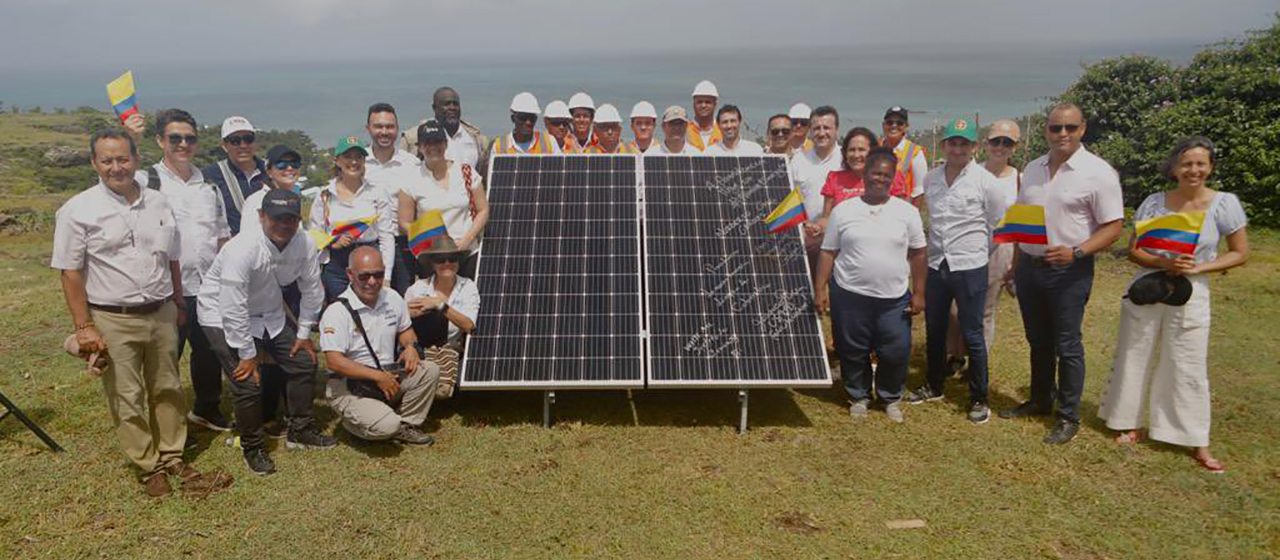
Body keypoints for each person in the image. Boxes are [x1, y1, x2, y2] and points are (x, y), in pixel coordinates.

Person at [53, 129, 197, 496]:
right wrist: (84, 327)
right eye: (107, 160)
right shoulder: (78, 210)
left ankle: (173, 454)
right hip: (113, 316)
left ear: (135, 158)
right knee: (126, 394)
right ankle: (149, 466)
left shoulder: (158, 203)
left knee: (168, 387)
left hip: (161, 310)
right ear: (94, 163)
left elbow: (173, 257)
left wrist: (178, 301)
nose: (116, 167)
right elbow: (70, 272)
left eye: (123, 159)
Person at [1099, 136, 1249, 472]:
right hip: (1150, 285)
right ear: (1174, 167)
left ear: (1209, 167)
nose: (1193, 170)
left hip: (1192, 289)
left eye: (1200, 164)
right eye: (1187, 163)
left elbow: (1240, 252)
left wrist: (1198, 267)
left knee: (1188, 362)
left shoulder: (1225, 203)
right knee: (1134, 354)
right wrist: (1163, 264)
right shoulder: (1154, 202)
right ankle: (1127, 422)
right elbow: (1135, 249)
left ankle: (1196, 439)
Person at [999, 103, 1125, 445]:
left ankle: (1067, 415)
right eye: (1056, 128)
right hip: (1031, 267)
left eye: (1070, 127)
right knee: (1038, 340)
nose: (1063, 134)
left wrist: (1078, 251)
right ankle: (1041, 399)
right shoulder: (1034, 168)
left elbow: (1114, 226)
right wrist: (1015, 265)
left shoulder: (1098, 172)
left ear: (1083, 128)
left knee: (1067, 344)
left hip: (1070, 269)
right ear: (1046, 131)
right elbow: (1024, 219)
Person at [198, 189, 334, 475]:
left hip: (269, 311)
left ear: (299, 219)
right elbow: (232, 306)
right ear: (261, 216)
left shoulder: (305, 243)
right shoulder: (241, 248)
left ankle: (300, 429)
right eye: (276, 218)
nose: (284, 225)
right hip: (222, 314)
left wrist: (303, 333)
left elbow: (312, 289)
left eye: (291, 219)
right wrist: (248, 355)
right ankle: (252, 446)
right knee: (248, 382)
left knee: (303, 361)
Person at [903, 118, 1010, 424]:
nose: (958, 149)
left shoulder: (987, 182)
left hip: (970, 266)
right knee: (935, 329)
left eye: (964, 143)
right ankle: (934, 384)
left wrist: (976, 254)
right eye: (953, 142)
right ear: (944, 144)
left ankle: (979, 398)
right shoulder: (932, 179)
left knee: (972, 333)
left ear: (974, 147)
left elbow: (996, 225)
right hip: (937, 264)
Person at [814, 146, 926, 424]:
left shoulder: (906, 212)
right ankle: (858, 396)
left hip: (894, 297)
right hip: (850, 295)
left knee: (896, 350)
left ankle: (890, 397)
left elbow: (919, 252)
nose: (880, 179)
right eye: (875, 173)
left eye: (886, 175)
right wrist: (820, 289)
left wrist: (920, 292)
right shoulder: (843, 210)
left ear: (894, 179)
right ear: (864, 174)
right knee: (852, 349)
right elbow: (828, 251)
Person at [142, 109, 233, 433]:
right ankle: (161, 420)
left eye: (189, 138)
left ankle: (206, 407)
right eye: (174, 138)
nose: (183, 144)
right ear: (160, 140)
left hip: (207, 286)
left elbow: (222, 235)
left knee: (208, 351)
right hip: (165, 288)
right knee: (166, 356)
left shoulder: (208, 185)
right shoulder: (147, 182)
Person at [321, 246, 439, 446]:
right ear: (350, 274)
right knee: (387, 426)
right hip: (350, 385)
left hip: (387, 375)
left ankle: (407, 425)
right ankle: (356, 425)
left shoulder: (392, 297)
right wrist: (378, 376)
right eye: (364, 276)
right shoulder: (337, 311)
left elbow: (406, 330)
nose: (372, 282)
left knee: (430, 370)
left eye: (378, 274)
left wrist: (410, 347)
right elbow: (334, 362)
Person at [943, 120, 1023, 371]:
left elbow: (1022, 223)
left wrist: (1016, 262)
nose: (1000, 147)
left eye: (1007, 142)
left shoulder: (1020, 180)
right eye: (996, 141)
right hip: (966, 248)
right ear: (985, 144)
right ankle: (955, 355)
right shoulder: (970, 171)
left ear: (1014, 148)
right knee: (956, 309)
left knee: (985, 311)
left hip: (1001, 249)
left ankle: (978, 365)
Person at [398, 120, 490, 279]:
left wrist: (466, 241)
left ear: (446, 144)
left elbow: (483, 210)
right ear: (419, 147)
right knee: (435, 303)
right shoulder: (410, 178)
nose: (433, 147)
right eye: (427, 143)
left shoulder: (466, 171)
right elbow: (404, 223)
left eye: (438, 142)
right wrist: (430, 240)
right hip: (432, 258)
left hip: (467, 254)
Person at [310, 136, 397, 302]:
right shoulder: (324, 195)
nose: (354, 162)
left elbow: (386, 235)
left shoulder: (377, 192)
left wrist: (386, 276)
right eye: (348, 157)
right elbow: (314, 235)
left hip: (370, 258)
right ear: (337, 161)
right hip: (337, 264)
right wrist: (332, 242)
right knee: (343, 312)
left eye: (358, 157)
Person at [404, 237, 480, 398]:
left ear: (458, 262)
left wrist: (441, 306)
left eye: (452, 259)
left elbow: (469, 325)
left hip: (452, 350)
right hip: (421, 349)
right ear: (432, 263)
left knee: (464, 384)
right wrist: (414, 314)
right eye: (440, 260)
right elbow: (402, 323)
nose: (447, 263)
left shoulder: (468, 286)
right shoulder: (417, 288)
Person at [363, 103, 419, 294]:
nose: (384, 132)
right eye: (378, 126)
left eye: (390, 126)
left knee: (403, 301)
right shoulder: (358, 163)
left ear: (397, 129)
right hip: (369, 244)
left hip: (402, 243)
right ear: (368, 129)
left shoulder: (411, 164)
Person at [790, 106, 842, 279]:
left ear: (837, 130)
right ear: (810, 132)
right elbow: (792, 198)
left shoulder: (846, 159)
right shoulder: (798, 160)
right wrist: (805, 224)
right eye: (816, 128)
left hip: (841, 242)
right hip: (808, 240)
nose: (821, 133)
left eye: (827, 128)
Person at [819, 127, 908, 222]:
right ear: (844, 153)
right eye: (852, 150)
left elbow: (902, 216)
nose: (856, 155)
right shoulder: (834, 179)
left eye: (861, 150)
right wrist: (817, 228)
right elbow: (826, 219)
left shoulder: (892, 177)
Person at [203, 116, 270, 236]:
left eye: (248, 139)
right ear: (224, 145)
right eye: (235, 141)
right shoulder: (211, 175)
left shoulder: (270, 171)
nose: (243, 145)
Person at [400, 87, 488, 175]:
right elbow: (401, 171)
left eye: (455, 104)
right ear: (434, 108)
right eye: (446, 104)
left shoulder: (476, 139)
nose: (452, 108)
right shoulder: (413, 137)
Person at [881, 106, 930, 204]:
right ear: (883, 125)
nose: (894, 126)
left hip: (903, 209)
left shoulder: (915, 152)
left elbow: (920, 190)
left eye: (900, 123)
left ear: (906, 127)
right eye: (889, 122)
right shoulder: (874, 147)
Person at [490, 92, 561, 155]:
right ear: (513, 119)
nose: (528, 122)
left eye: (532, 118)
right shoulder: (499, 147)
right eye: (523, 117)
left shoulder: (549, 142)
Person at [686, 80, 722, 152]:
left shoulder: (723, 130)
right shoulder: (684, 130)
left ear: (715, 104)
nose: (703, 105)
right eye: (699, 102)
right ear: (693, 104)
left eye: (708, 102)